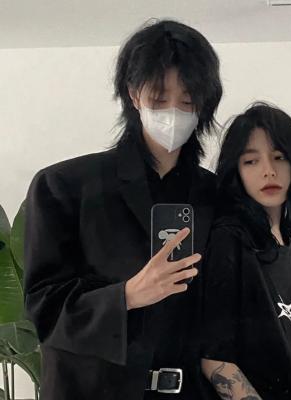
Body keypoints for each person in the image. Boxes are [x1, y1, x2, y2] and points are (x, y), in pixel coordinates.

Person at [23, 19, 222, 400]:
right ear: (133, 95)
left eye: (187, 101)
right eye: (159, 99)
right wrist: (127, 295)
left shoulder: (214, 195)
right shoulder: (63, 186)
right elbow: (43, 309)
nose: (173, 113)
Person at [200, 102, 291, 400]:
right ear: (236, 172)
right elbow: (215, 361)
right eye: (251, 161)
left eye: (279, 157)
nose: (268, 171)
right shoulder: (228, 244)